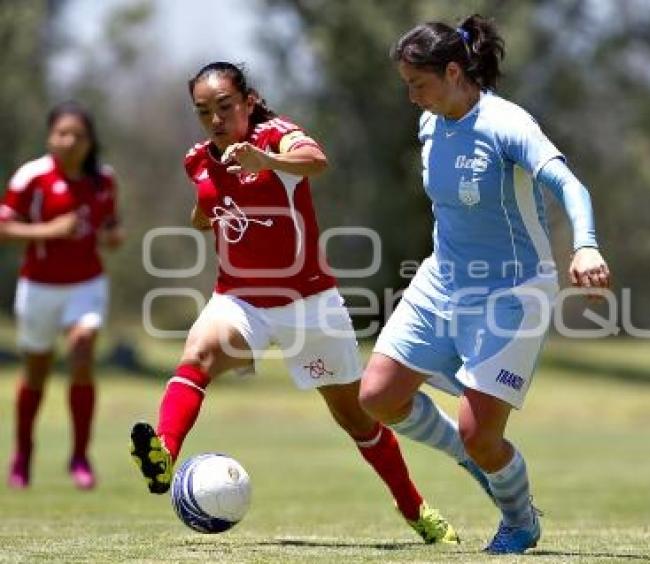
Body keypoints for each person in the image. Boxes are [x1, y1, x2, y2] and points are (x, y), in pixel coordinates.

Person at [129, 61, 466, 544]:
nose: (216, 119)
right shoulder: (198, 160)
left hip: (310, 304)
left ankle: (416, 510)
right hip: (239, 299)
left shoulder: (277, 137)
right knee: (198, 354)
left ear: (247, 102)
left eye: (226, 107)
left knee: (356, 418)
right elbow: (206, 210)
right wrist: (207, 213)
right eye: (204, 112)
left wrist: (266, 163)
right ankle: (164, 452)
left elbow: (315, 161)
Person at [358, 15, 612, 554]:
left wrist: (585, 244)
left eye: (418, 84)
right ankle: (472, 461)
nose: (411, 97)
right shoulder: (430, 123)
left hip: (512, 292)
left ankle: (520, 520)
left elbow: (570, 184)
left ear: (454, 72)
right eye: (406, 85)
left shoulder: (507, 124)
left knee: (483, 435)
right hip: (442, 280)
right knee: (378, 395)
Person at [2, 102, 124, 490]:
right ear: (50, 137)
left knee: (83, 349)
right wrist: (49, 231)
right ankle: (23, 455)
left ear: (91, 141)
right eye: (62, 133)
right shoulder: (32, 177)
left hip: (86, 285)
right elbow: (4, 228)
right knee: (36, 370)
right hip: (38, 287)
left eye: (78, 135)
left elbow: (110, 228)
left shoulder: (104, 180)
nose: (70, 141)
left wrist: (112, 237)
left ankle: (80, 456)